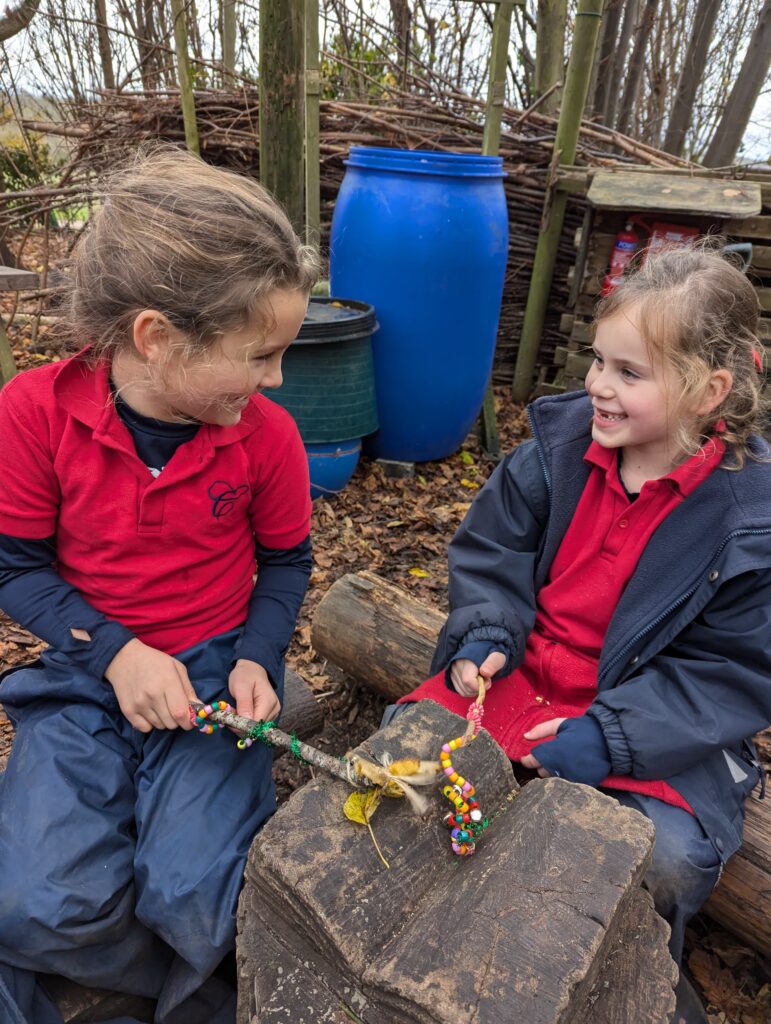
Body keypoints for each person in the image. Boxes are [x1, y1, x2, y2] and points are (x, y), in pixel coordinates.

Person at [391, 245, 771, 1022]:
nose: (596, 385)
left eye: (628, 374)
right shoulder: (557, 454)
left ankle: (616, 985)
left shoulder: (748, 522)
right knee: (407, 754)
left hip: (652, 724)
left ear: (711, 392)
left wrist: (606, 738)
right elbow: (492, 554)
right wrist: (486, 631)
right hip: (524, 678)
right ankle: (431, 942)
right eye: (598, 361)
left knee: (656, 859)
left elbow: (730, 672)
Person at [0, 148, 318, 1024]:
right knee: (31, 903)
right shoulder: (33, 413)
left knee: (189, 893)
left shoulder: (267, 437)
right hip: (82, 678)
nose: (276, 380)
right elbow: (16, 568)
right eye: (260, 355)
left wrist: (258, 655)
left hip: (216, 676)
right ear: (155, 337)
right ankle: (160, 989)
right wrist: (115, 654)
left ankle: (188, 987)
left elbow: (286, 562)